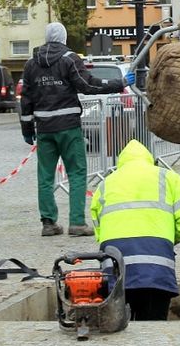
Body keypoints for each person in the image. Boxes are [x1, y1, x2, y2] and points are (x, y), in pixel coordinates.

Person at [20, 22, 124, 237]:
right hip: (68, 125)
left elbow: (27, 99)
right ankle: (76, 223)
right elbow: (88, 85)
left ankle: (48, 223)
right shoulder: (69, 58)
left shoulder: (31, 63)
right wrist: (118, 83)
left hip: (44, 127)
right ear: (64, 37)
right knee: (76, 173)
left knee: (45, 176)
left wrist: (27, 127)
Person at [90, 139, 180, 320]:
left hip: (116, 266)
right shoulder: (168, 178)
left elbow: (98, 227)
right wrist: (166, 239)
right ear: (150, 159)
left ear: (121, 162)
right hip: (156, 266)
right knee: (153, 324)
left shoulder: (106, 184)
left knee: (117, 328)